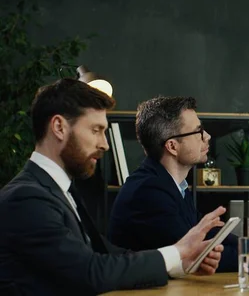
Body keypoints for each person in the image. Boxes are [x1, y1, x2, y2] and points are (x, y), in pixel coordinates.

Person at [0, 79, 228, 295]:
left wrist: (180, 264)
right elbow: (91, 272)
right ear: (59, 127)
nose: (105, 144)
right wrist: (177, 253)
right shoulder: (26, 197)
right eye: (95, 130)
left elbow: (105, 253)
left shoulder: (57, 190)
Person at [108, 96, 249, 269]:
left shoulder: (171, 184)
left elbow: (205, 233)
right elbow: (194, 254)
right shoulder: (147, 192)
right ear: (172, 146)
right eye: (198, 132)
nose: (207, 136)